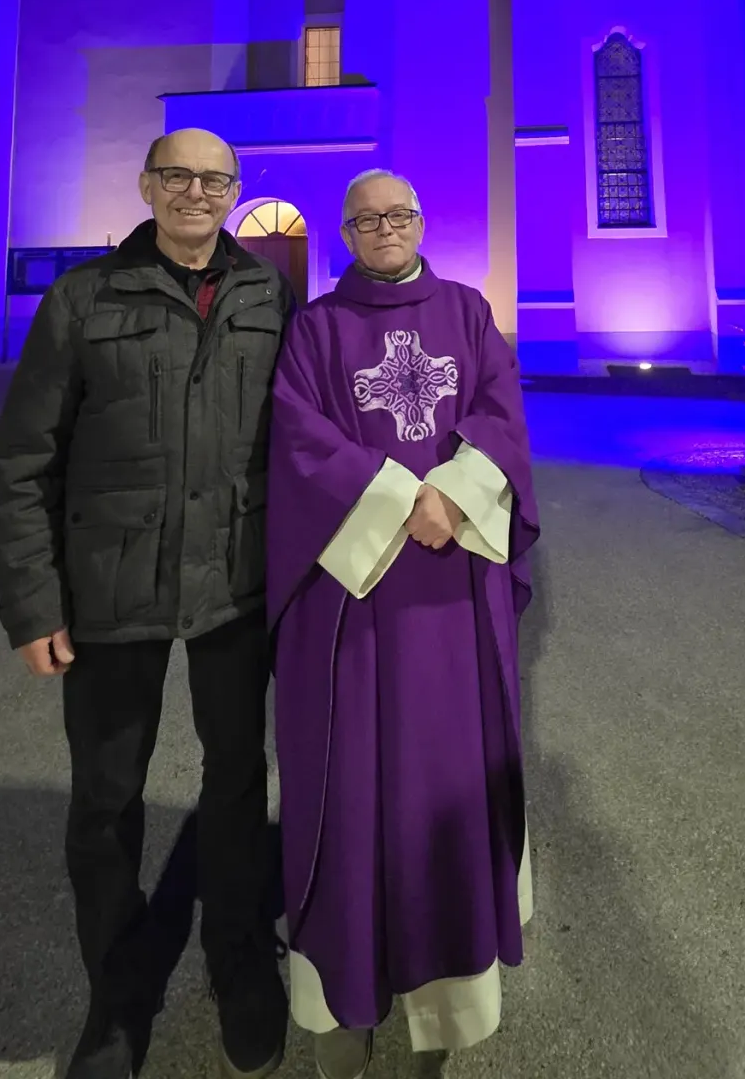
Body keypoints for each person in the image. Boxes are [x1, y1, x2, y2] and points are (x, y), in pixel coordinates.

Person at [0, 129, 292, 1079]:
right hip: (112, 589)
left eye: (215, 180)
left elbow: (310, 434)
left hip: (233, 585)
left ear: (234, 191)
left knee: (236, 785)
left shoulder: (268, 295)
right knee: (105, 800)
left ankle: (239, 961)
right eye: (177, 176)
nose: (196, 192)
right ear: (148, 186)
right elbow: (24, 460)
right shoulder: (84, 298)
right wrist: (33, 603)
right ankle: (116, 1000)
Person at [267, 170, 540, 1079]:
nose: (385, 228)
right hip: (355, 601)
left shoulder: (467, 312)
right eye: (367, 219)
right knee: (351, 781)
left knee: (447, 776)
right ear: (346, 233)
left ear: (421, 223)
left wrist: (454, 496)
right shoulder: (314, 328)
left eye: (401, 215)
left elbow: (502, 412)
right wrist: (397, 499)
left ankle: (445, 1008)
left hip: (453, 591)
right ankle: (347, 997)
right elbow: (298, 439)